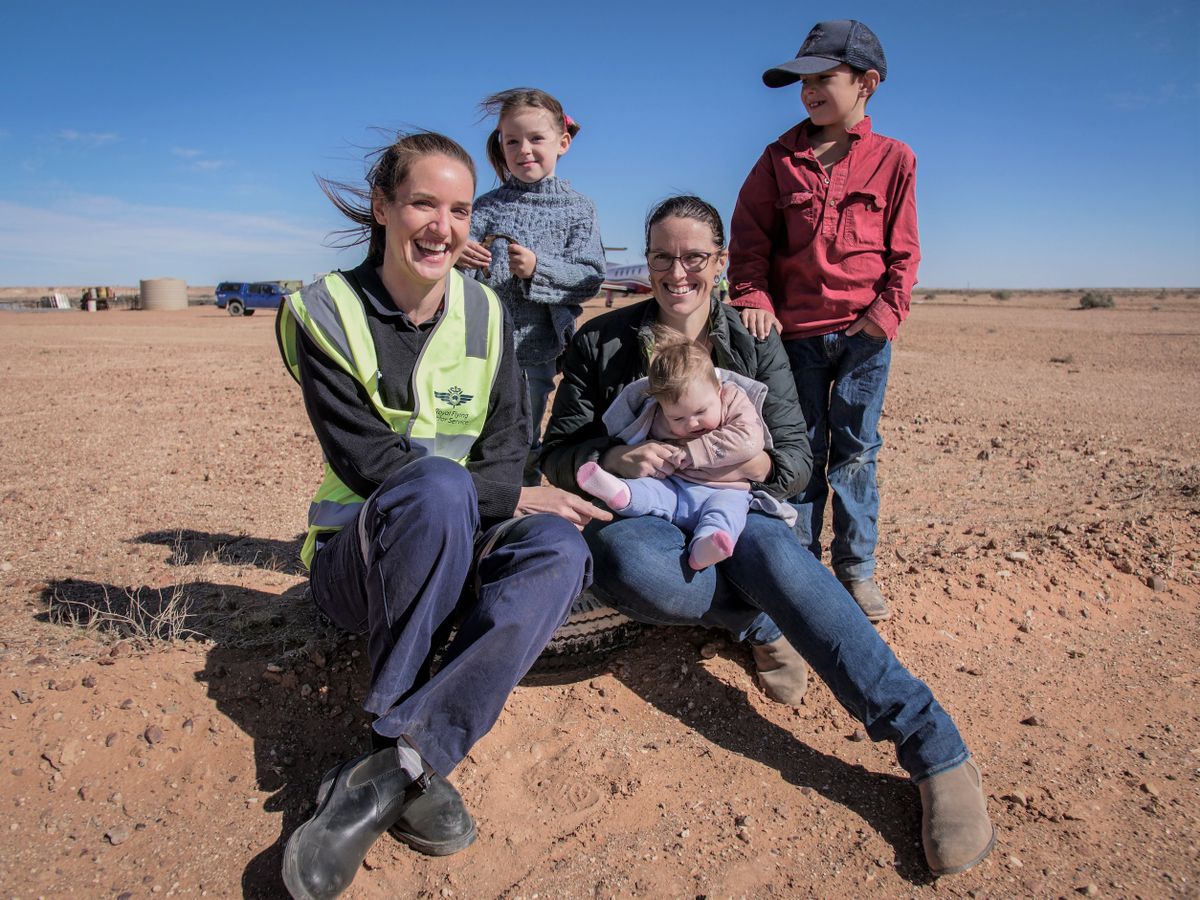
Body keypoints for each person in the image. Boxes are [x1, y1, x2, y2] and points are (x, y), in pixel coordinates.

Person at [541, 195, 994, 877]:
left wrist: (743, 463)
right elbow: (557, 453)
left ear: (720, 262)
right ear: (648, 260)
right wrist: (616, 457)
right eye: (662, 257)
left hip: (738, 504)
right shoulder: (601, 341)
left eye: (694, 257)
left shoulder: (753, 338)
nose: (677, 272)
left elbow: (793, 460)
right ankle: (756, 624)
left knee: (777, 558)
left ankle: (934, 748)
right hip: (652, 514)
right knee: (625, 561)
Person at [275, 131, 609, 899]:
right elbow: (371, 463)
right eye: (423, 203)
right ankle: (396, 740)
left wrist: (510, 498)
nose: (443, 227)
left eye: (459, 210)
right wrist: (509, 496)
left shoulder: (486, 312)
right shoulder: (323, 313)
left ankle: (395, 767)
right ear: (383, 207)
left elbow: (507, 445)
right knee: (435, 487)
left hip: (458, 548)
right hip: (359, 567)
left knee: (559, 550)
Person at [729, 20, 917, 623]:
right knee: (801, 450)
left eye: (823, 78)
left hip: (864, 338)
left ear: (867, 83)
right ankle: (800, 570)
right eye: (802, 82)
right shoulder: (778, 159)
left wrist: (884, 315)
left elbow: (904, 251)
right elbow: (749, 241)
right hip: (795, 339)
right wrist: (753, 298)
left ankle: (856, 569)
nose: (808, 91)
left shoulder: (894, 159)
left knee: (856, 452)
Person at [458, 87, 606, 486]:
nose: (524, 149)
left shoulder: (578, 209)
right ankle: (473, 502)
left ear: (563, 142)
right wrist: (459, 255)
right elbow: (455, 270)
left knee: (523, 433)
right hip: (477, 346)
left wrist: (538, 269)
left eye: (536, 138)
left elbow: (590, 276)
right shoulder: (485, 207)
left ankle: (521, 503)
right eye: (512, 141)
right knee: (472, 428)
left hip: (536, 348)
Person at [576, 323, 792, 571]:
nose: (692, 423)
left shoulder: (732, 400)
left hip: (725, 489)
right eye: (678, 418)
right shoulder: (656, 414)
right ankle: (621, 493)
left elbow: (749, 438)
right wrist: (642, 453)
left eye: (701, 411)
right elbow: (641, 439)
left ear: (718, 388)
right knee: (651, 491)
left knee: (726, 513)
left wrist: (694, 450)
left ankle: (707, 547)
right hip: (674, 485)